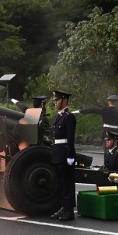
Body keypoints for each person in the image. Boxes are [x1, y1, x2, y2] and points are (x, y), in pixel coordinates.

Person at [49, 89, 77, 221]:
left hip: (65, 154)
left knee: (67, 183)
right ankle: (63, 207)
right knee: (61, 183)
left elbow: (70, 139)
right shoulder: (59, 117)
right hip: (58, 153)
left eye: (57, 100)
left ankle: (69, 210)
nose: (55, 102)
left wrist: (70, 156)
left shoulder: (69, 117)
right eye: (54, 100)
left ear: (65, 100)